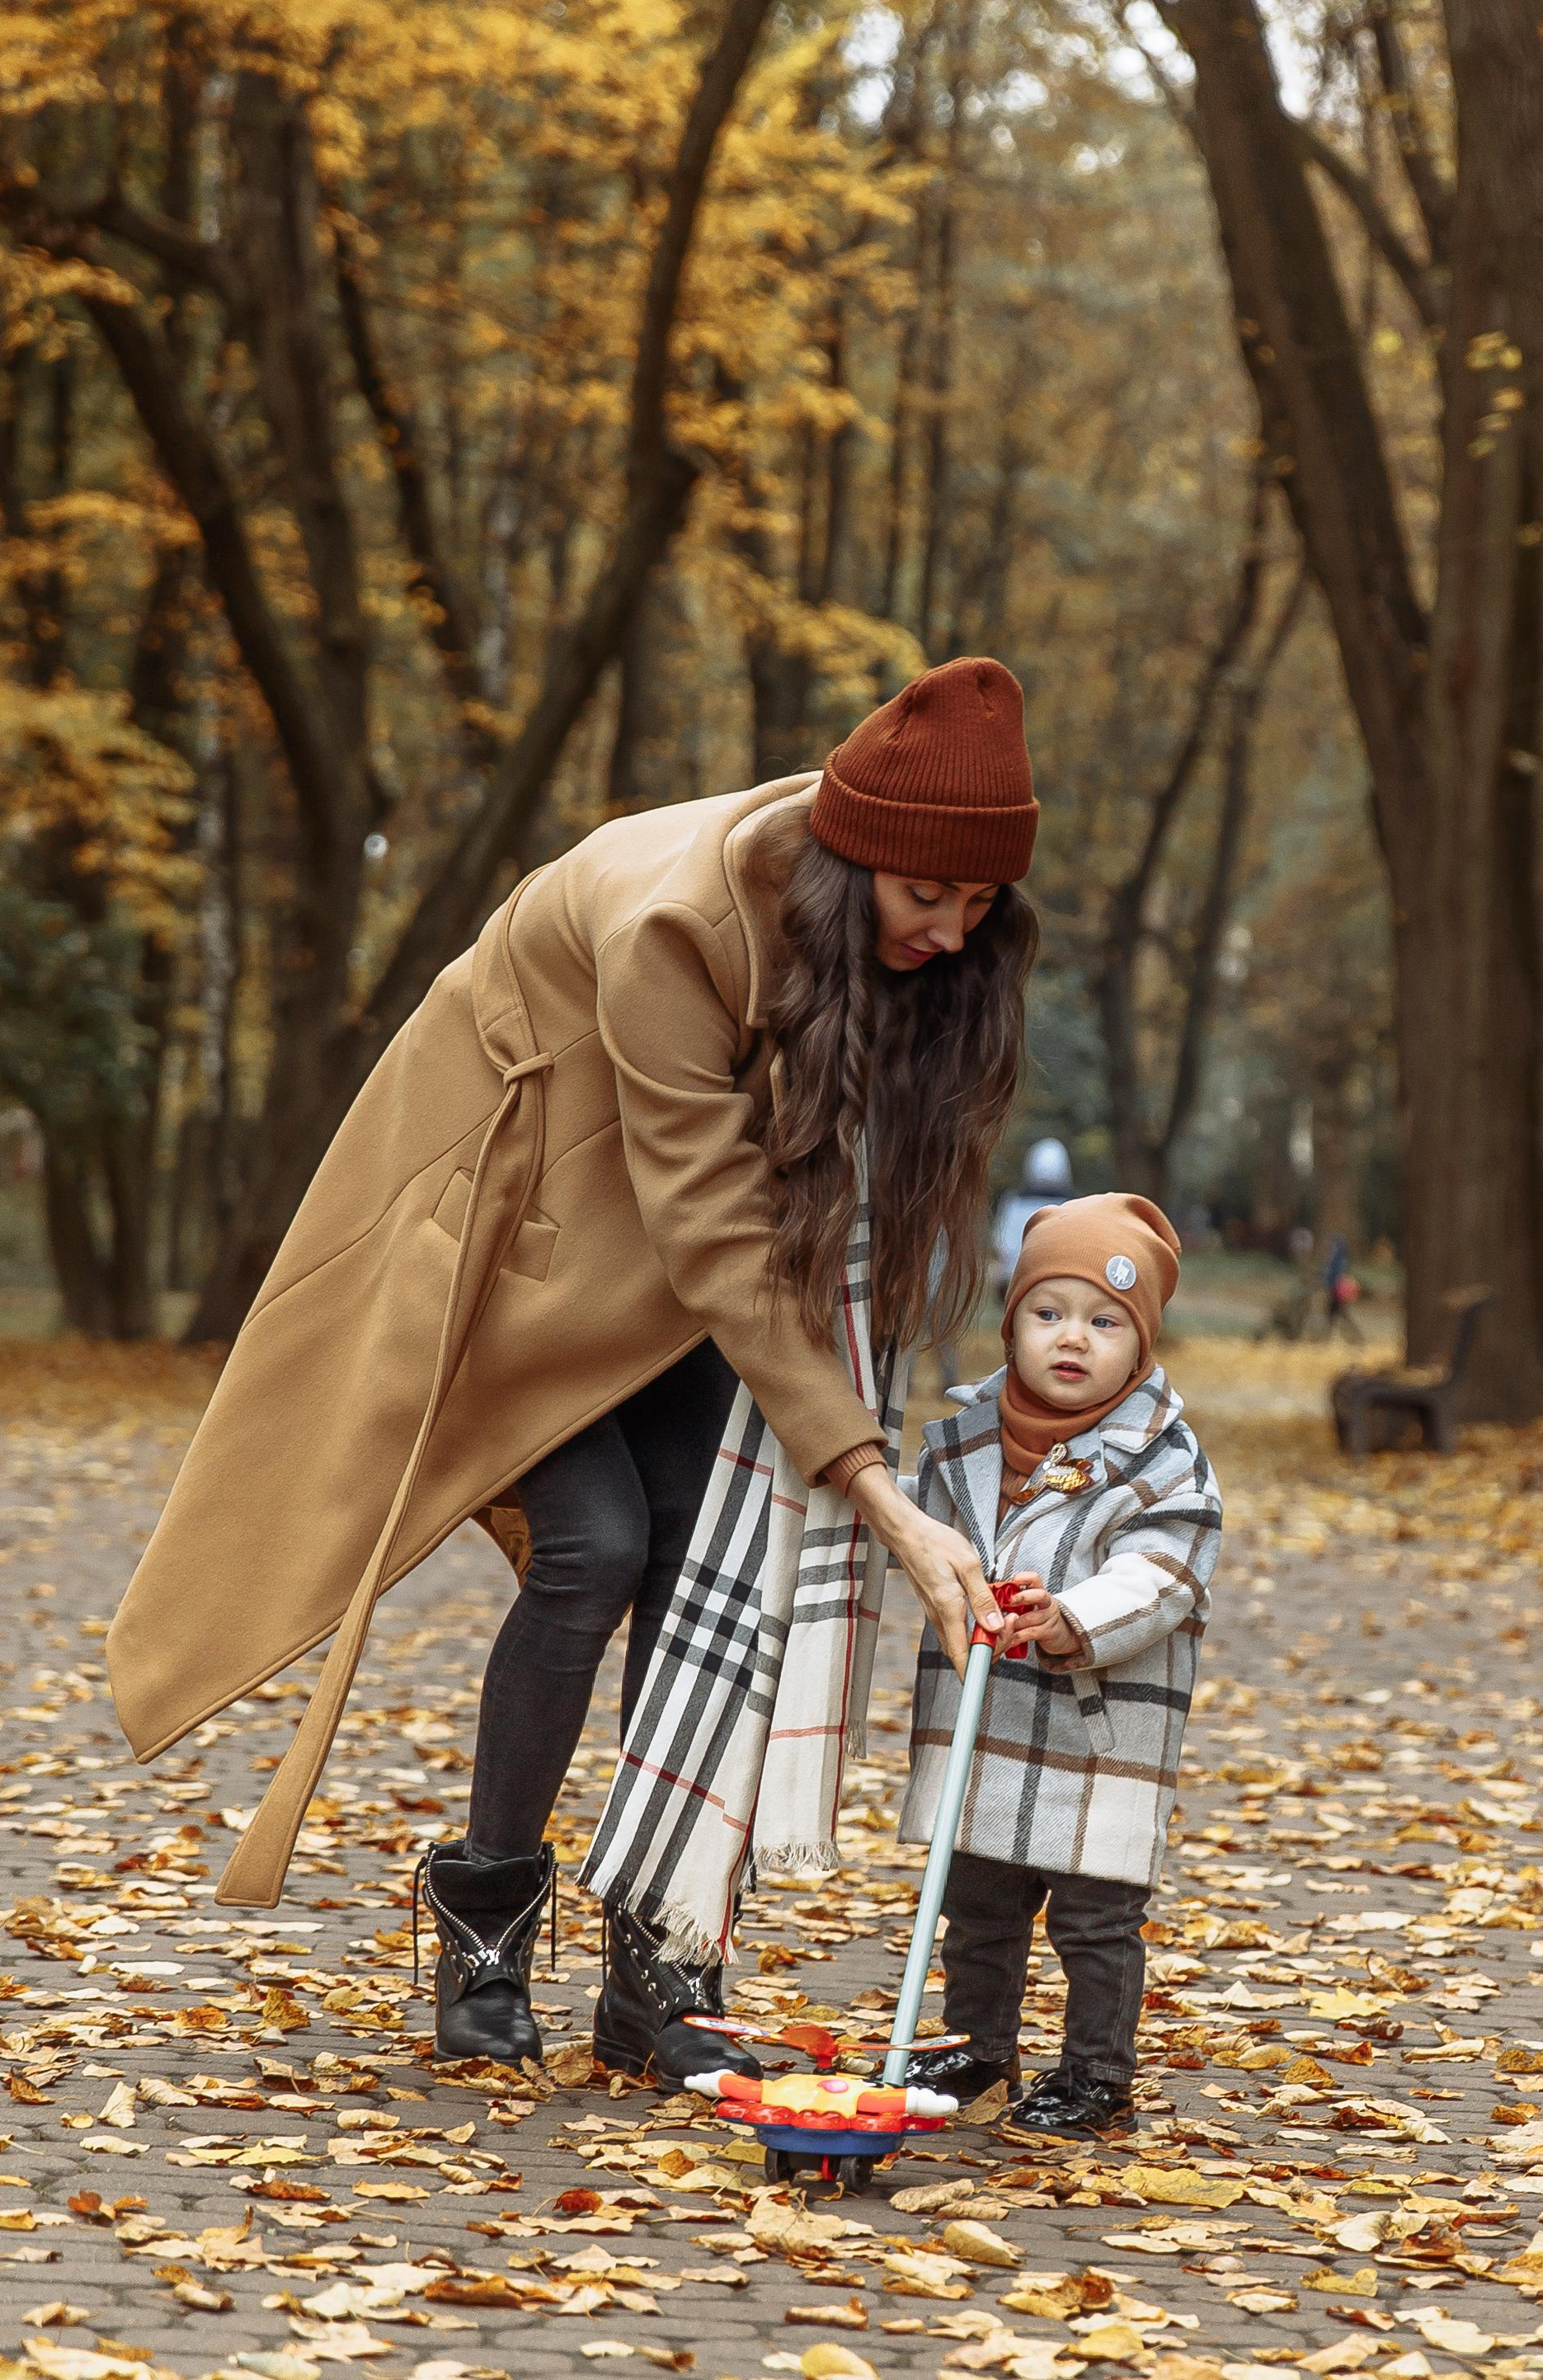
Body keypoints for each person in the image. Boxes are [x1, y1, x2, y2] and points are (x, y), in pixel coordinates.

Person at [106, 657, 1041, 2084]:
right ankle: (484, 1915)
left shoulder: (861, 898)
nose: (949, 929)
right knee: (592, 1546)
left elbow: (733, 1214)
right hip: (514, 1242)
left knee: (697, 1557)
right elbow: (708, 1214)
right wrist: (881, 1500)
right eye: (930, 899)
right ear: (859, 858)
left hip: (659, 1270)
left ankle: (657, 1955)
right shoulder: (676, 914)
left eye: (979, 908)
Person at [899, 1192, 1221, 2142]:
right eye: (1048, 1313)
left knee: (1093, 1918)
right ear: (1012, 1320)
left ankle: (1093, 2073)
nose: (1071, 1339)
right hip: (985, 1721)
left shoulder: (1161, 1459)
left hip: (1097, 1728)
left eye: (1103, 1321)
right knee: (978, 1906)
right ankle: (975, 2046)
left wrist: (1068, 1614)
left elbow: (1163, 1575)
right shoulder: (958, 1440)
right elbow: (916, 1537)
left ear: (1141, 1341)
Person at [989, 1135, 1075, 1293]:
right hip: (1020, 1277)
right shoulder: (1016, 1203)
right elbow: (1004, 1244)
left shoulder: (1016, 1203)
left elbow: (1003, 1243)